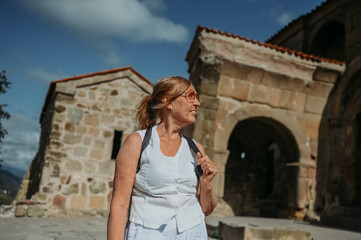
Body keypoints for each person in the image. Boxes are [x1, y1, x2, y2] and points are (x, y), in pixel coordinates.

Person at [107, 76, 218, 240]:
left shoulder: (196, 149)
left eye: (197, 98)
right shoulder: (137, 143)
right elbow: (120, 205)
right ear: (168, 101)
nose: (197, 103)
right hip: (147, 233)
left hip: (194, 232)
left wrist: (206, 184)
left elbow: (206, 209)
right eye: (190, 96)